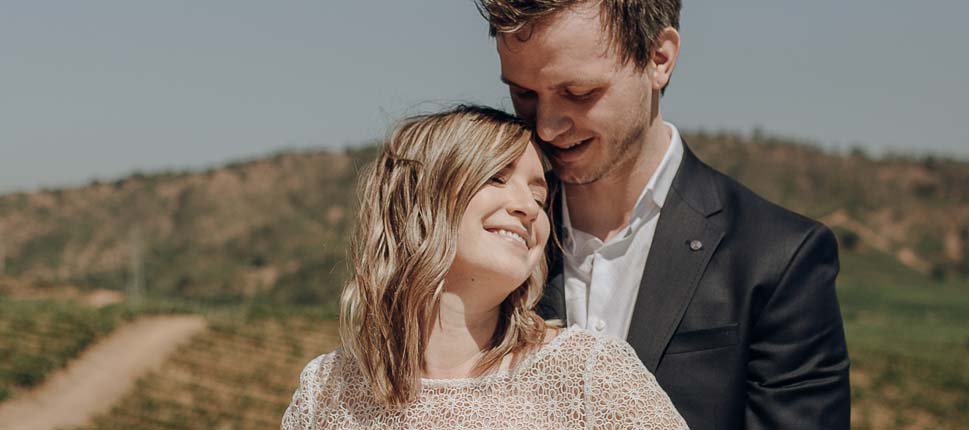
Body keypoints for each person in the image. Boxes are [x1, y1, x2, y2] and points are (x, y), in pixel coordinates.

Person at [476, 1, 851, 428]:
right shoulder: (480, 235)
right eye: (523, 94)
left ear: (660, 58)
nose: (545, 126)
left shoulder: (780, 258)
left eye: (578, 93)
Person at [280, 105, 689, 429]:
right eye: (496, 177)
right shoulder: (326, 389)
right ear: (419, 199)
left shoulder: (590, 374)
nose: (528, 207)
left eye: (538, 193)